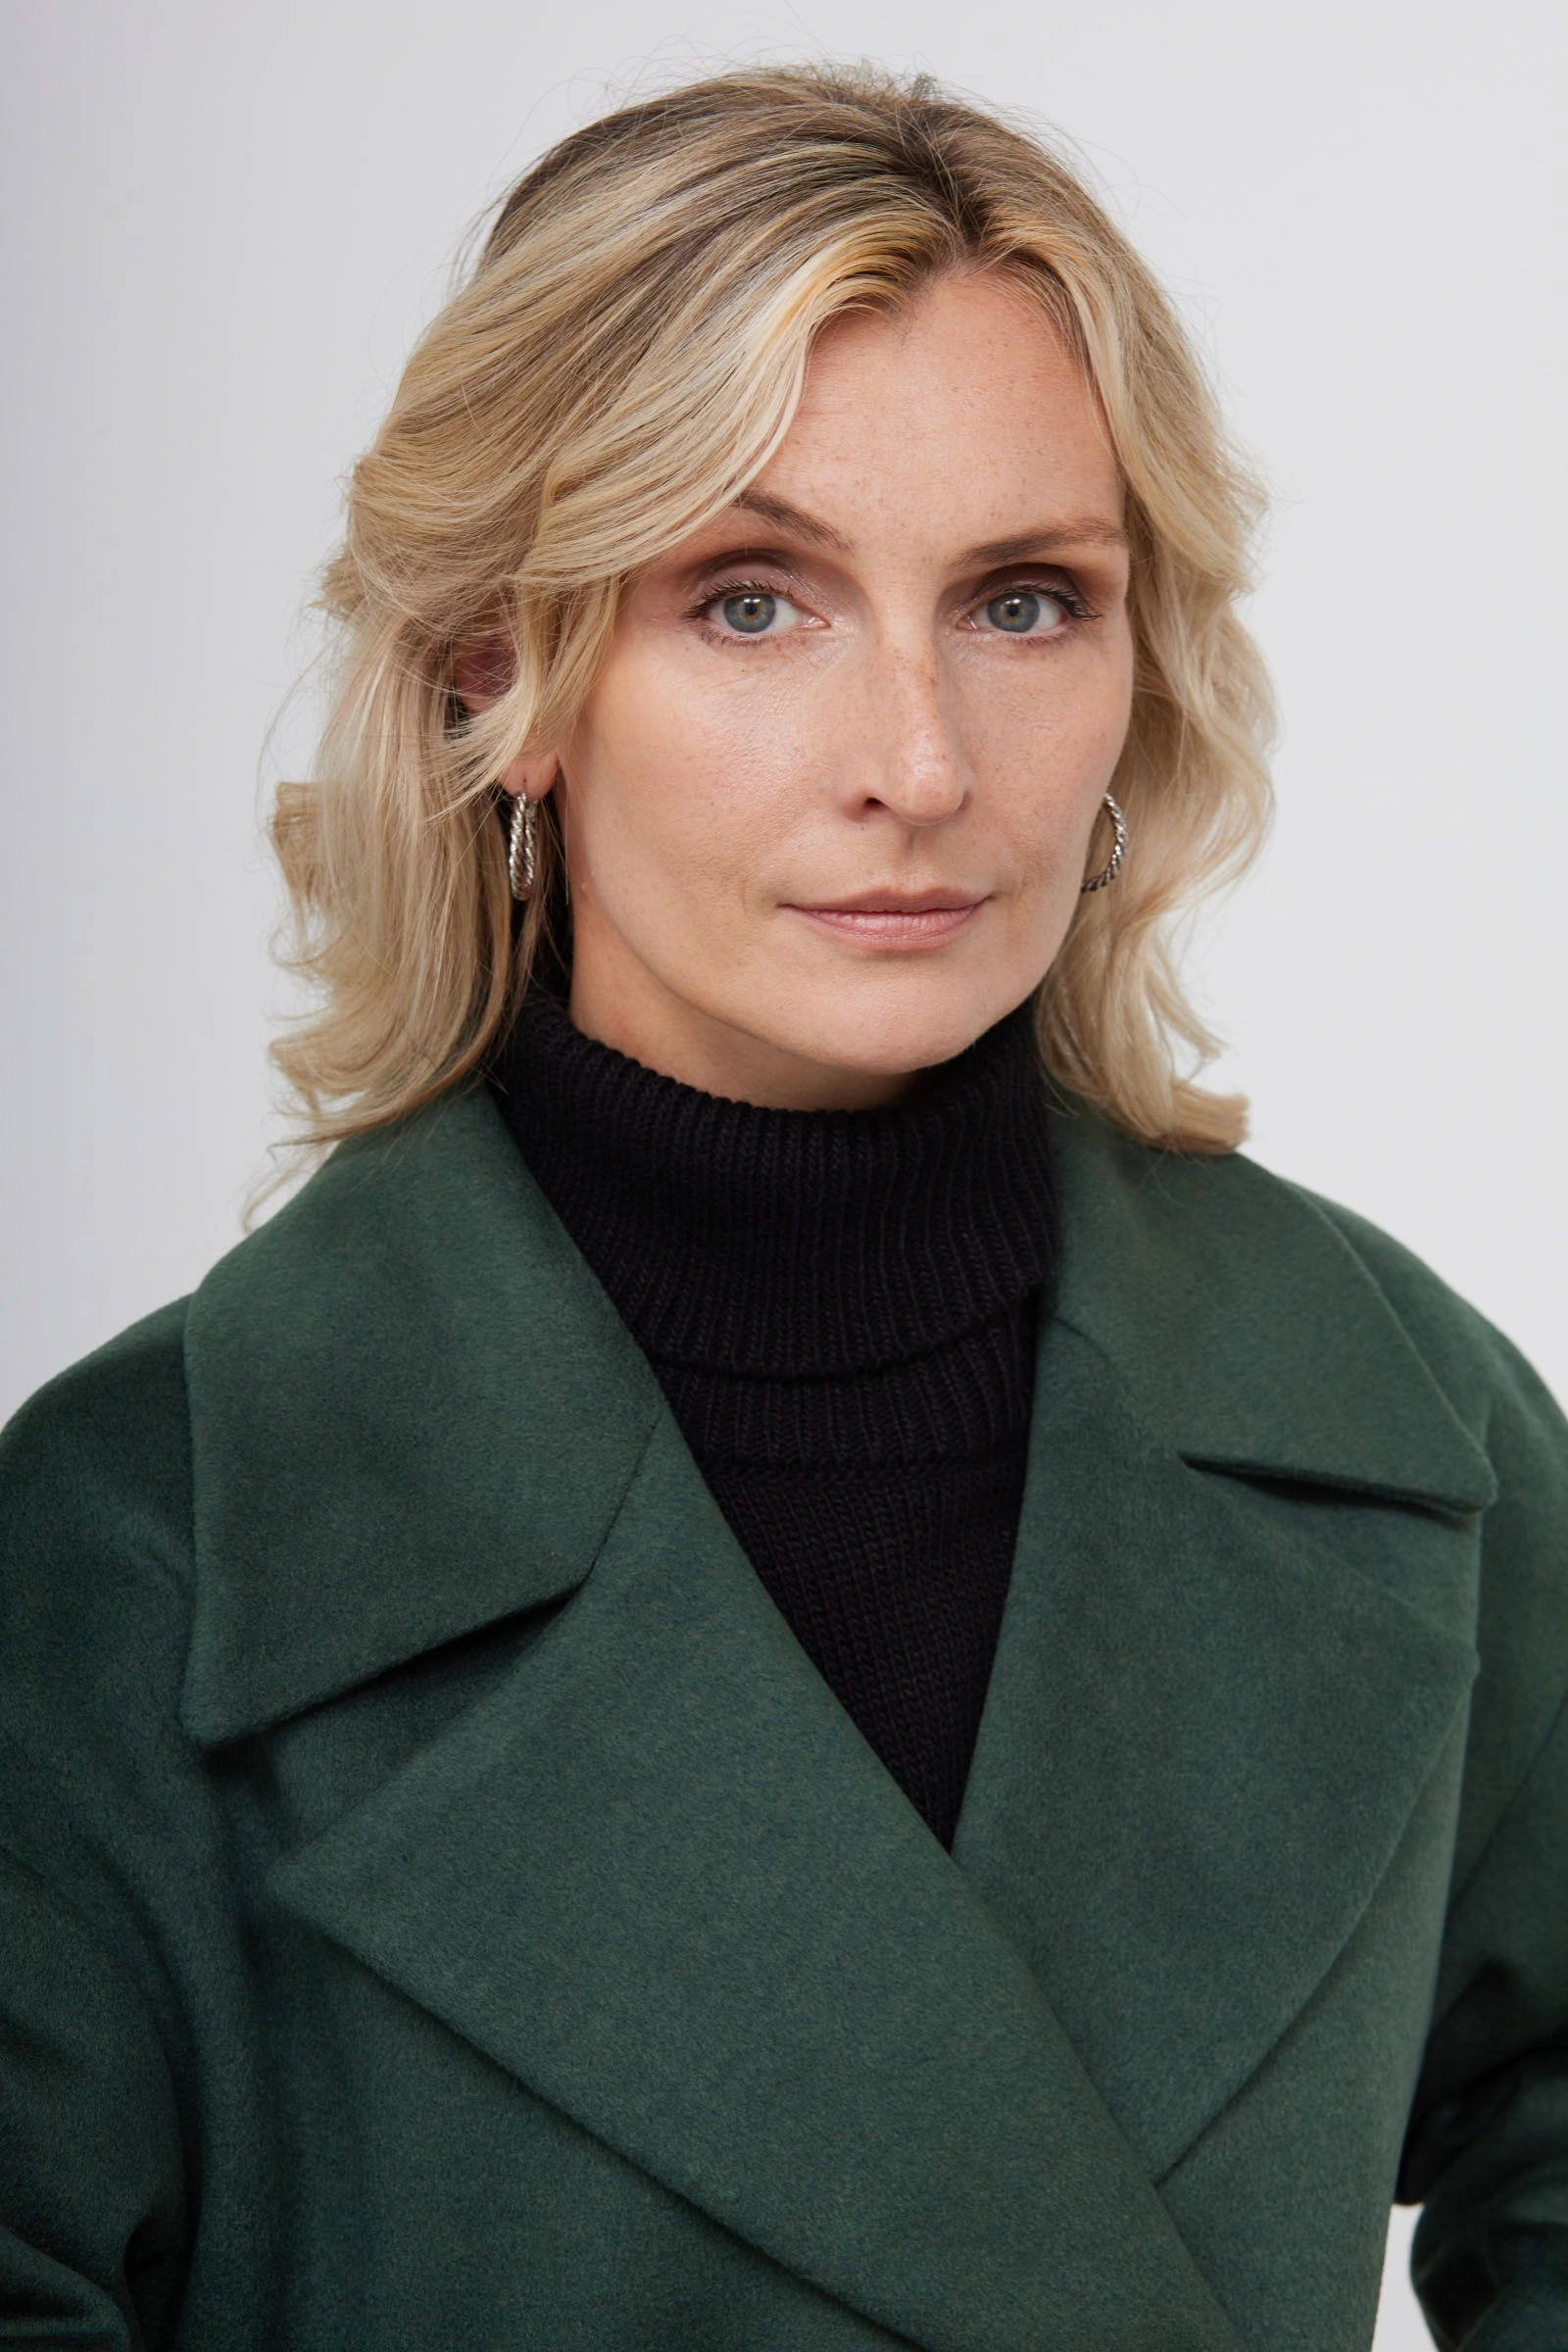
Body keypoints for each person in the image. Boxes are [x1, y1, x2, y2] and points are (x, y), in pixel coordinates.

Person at [1, 55, 1563, 2352]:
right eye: (751, 602)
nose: (919, 764)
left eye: (1022, 600)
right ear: (503, 675)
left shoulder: (1404, 1428)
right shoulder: (141, 1556)